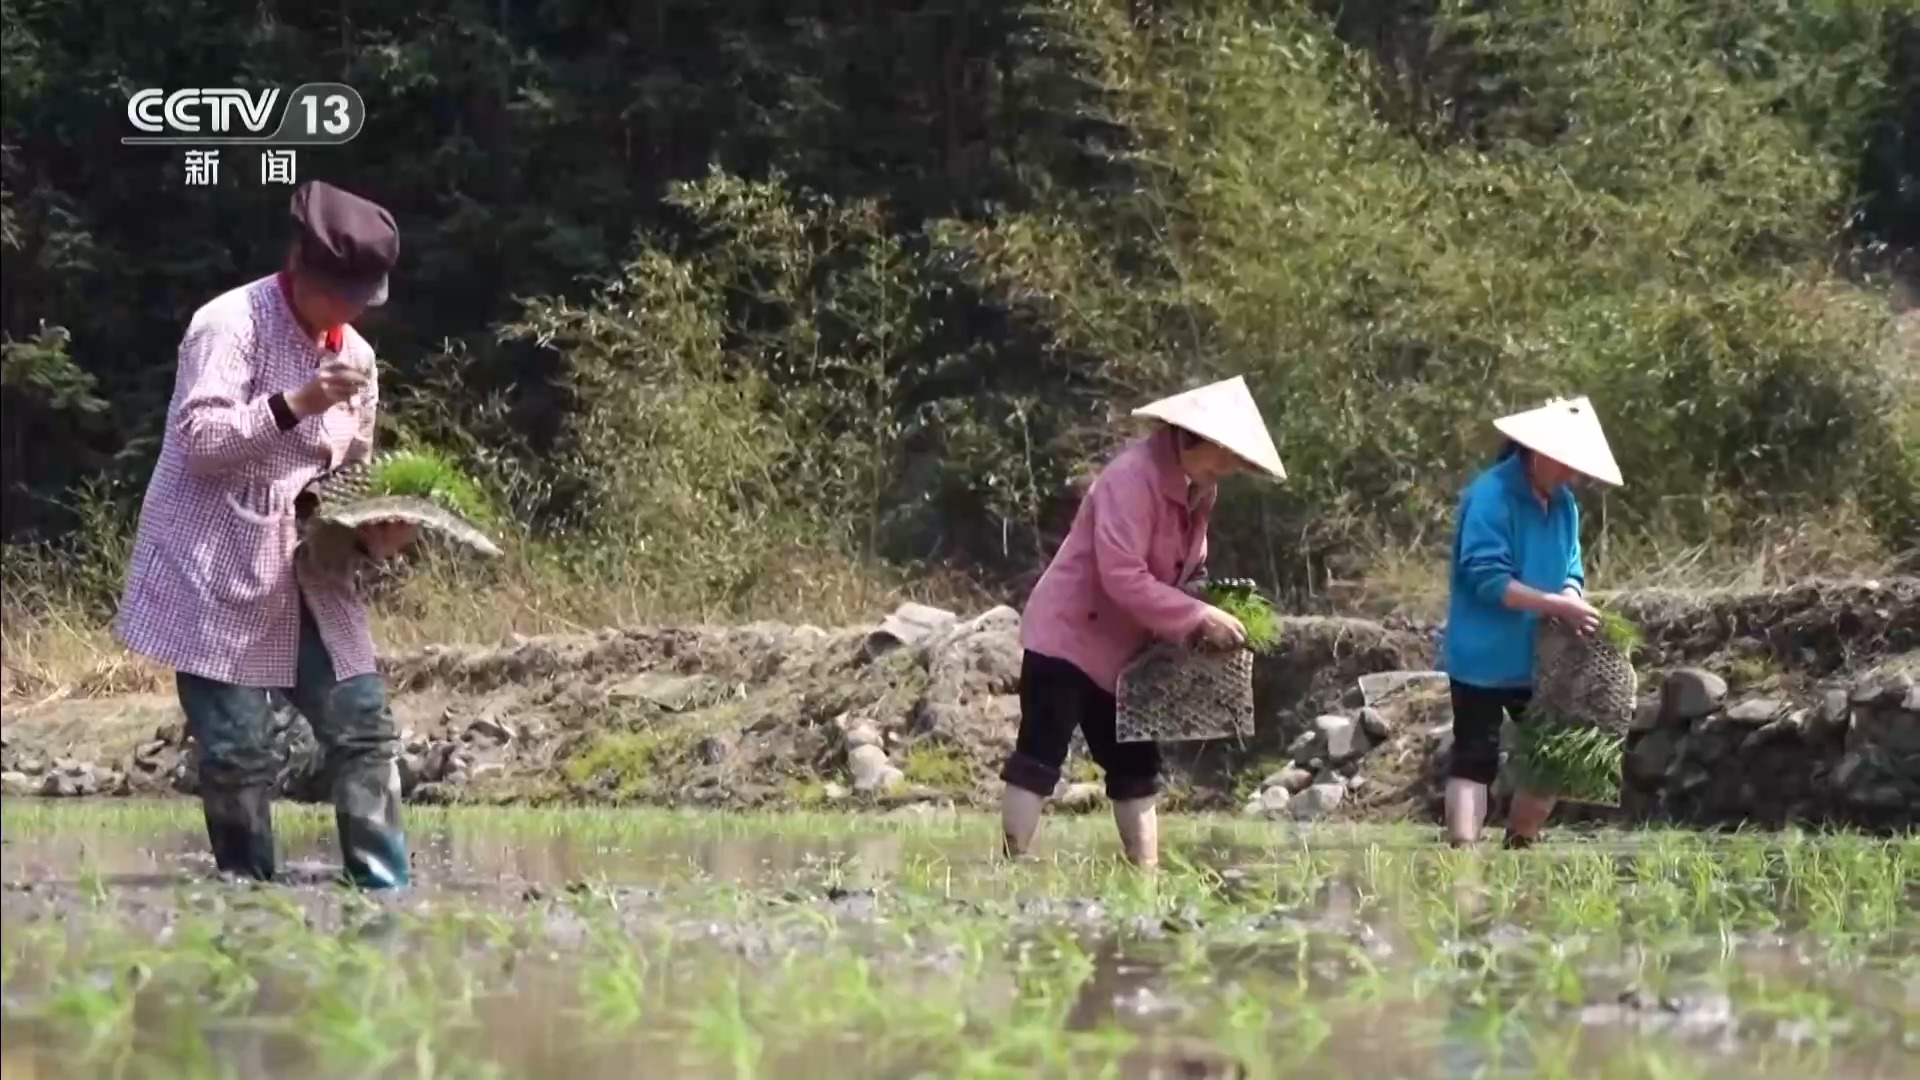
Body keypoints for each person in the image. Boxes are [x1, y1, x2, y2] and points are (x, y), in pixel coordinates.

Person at [114, 180, 415, 888]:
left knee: (363, 728)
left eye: (359, 300)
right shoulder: (230, 325)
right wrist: (294, 403)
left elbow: (349, 475)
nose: (347, 312)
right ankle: (246, 897)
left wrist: (376, 533)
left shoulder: (359, 359)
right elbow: (200, 440)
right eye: (338, 294)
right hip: (213, 564)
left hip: (310, 570)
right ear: (299, 266)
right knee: (238, 749)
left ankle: (383, 889)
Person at [999, 375, 1287, 867]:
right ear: (1194, 439)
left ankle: (1145, 873)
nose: (1228, 467)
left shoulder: (1201, 489)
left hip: (1122, 652)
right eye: (1223, 454)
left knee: (1135, 764)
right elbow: (1123, 575)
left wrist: (1209, 602)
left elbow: (1188, 565)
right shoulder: (1130, 479)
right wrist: (1196, 615)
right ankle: (1012, 863)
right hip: (1067, 635)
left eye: (1234, 459)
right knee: (1040, 755)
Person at [1437, 395, 1622, 849]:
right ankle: (1463, 857)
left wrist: (1571, 595)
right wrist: (1558, 606)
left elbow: (1572, 567)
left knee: (1555, 751)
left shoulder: (1563, 504)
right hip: (1483, 654)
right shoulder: (1491, 496)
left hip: (1542, 656)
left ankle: (1520, 845)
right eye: (1566, 462)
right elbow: (1488, 580)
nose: (1572, 474)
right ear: (1538, 452)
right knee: (1475, 756)